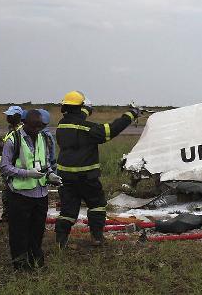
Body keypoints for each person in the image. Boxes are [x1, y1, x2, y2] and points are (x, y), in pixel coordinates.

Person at [54, 91, 140, 248]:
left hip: (66, 177)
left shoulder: (62, 125)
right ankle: (97, 237)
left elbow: (77, 117)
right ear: (80, 107)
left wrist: (87, 108)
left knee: (67, 210)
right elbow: (111, 130)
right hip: (86, 177)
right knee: (97, 205)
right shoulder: (88, 129)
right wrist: (130, 114)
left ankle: (60, 241)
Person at [0, 110, 61, 269]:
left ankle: (36, 262)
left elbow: (45, 163)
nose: (36, 130)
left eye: (39, 127)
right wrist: (27, 173)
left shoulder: (43, 138)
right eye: (33, 126)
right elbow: (5, 168)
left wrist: (51, 175)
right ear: (24, 123)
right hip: (20, 195)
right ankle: (20, 266)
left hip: (41, 194)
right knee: (19, 232)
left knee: (37, 231)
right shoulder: (13, 140)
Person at [1, 105, 24, 222]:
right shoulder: (11, 131)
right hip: (9, 169)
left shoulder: (20, 132)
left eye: (11, 116)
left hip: (15, 169)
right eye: (8, 115)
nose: (8, 117)